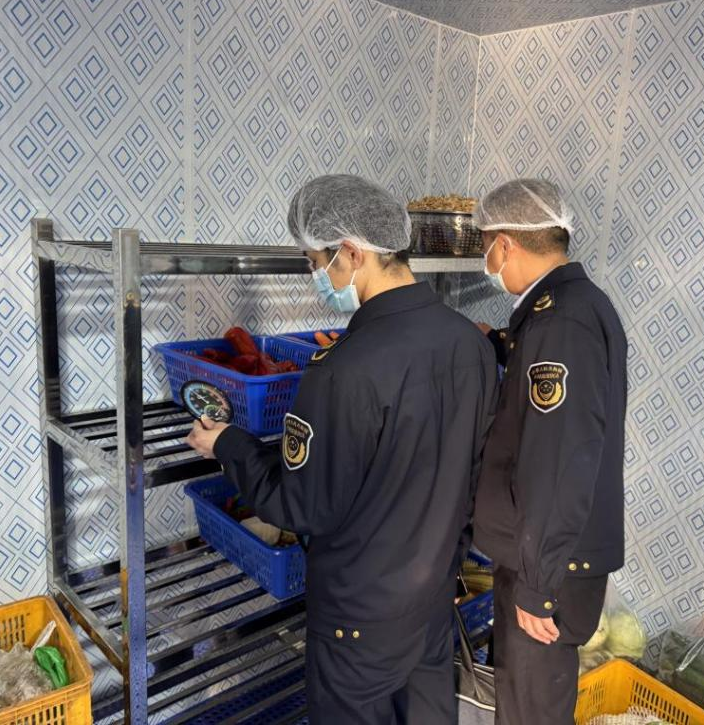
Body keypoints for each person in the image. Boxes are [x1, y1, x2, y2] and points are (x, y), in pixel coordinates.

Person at [186, 174, 498, 725]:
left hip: (359, 619)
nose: (317, 277)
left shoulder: (344, 368)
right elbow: (472, 475)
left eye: (316, 262)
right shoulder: (470, 343)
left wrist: (228, 444)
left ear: (352, 253)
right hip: (430, 601)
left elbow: (302, 505)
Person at [472, 179, 627, 724]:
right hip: (547, 554)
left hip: (550, 566)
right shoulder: (567, 308)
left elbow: (561, 463)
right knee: (524, 697)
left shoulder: (560, 324)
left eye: (486, 246)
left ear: (506, 243)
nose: (488, 262)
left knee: (530, 708)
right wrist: (501, 343)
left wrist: (538, 586)